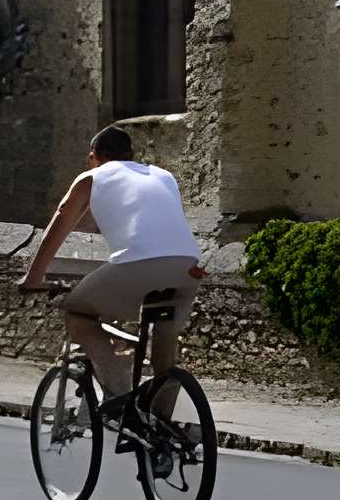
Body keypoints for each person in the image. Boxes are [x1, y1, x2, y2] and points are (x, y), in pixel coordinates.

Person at [18, 125, 204, 422]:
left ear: (94, 157)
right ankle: (160, 430)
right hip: (187, 266)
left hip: (137, 265)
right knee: (164, 337)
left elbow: (61, 221)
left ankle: (118, 392)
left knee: (76, 311)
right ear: (131, 154)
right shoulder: (164, 176)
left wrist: (33, 278)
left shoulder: (92, 177)